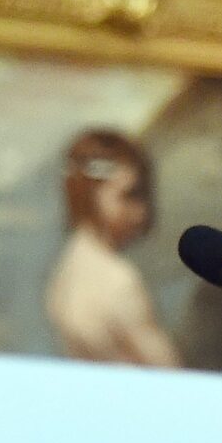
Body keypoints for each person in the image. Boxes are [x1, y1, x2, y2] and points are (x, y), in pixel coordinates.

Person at [44, 128, 180, 367]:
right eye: (130, 195)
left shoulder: (65, 269)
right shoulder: (117, 280)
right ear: (90, 193)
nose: (142, 212)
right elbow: (169, 372)